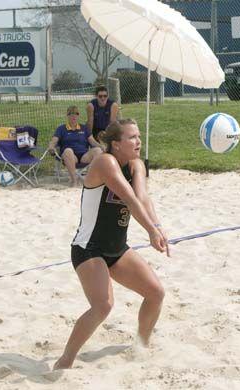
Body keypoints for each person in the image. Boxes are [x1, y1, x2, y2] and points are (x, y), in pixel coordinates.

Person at [54, 119, 169, 370]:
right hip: (89, 248)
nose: (138, 141)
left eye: (138, 136)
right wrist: (150, 231)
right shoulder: (105, 162)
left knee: (155, 293)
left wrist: (157, 227)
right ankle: (66, 359)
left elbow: (142, 198)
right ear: (116, 144)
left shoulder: (137, 164)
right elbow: (128, 199)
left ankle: (141, 345)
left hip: (117, 248)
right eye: (132, 138)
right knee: (103, 306)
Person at [48, 105, 103, 186]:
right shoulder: (61, 129)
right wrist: (51, 147)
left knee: (98, 150)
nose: (74, 116)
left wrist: (102, 147)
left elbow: (93, 142)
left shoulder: (84, 128)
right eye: (71, 114)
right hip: (71, 157)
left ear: (78, 115)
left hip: (84, 156)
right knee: (68, 150)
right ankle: (74, 181)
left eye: (76, 114)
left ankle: (92, 178)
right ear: (67, 115)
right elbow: (53, 141)